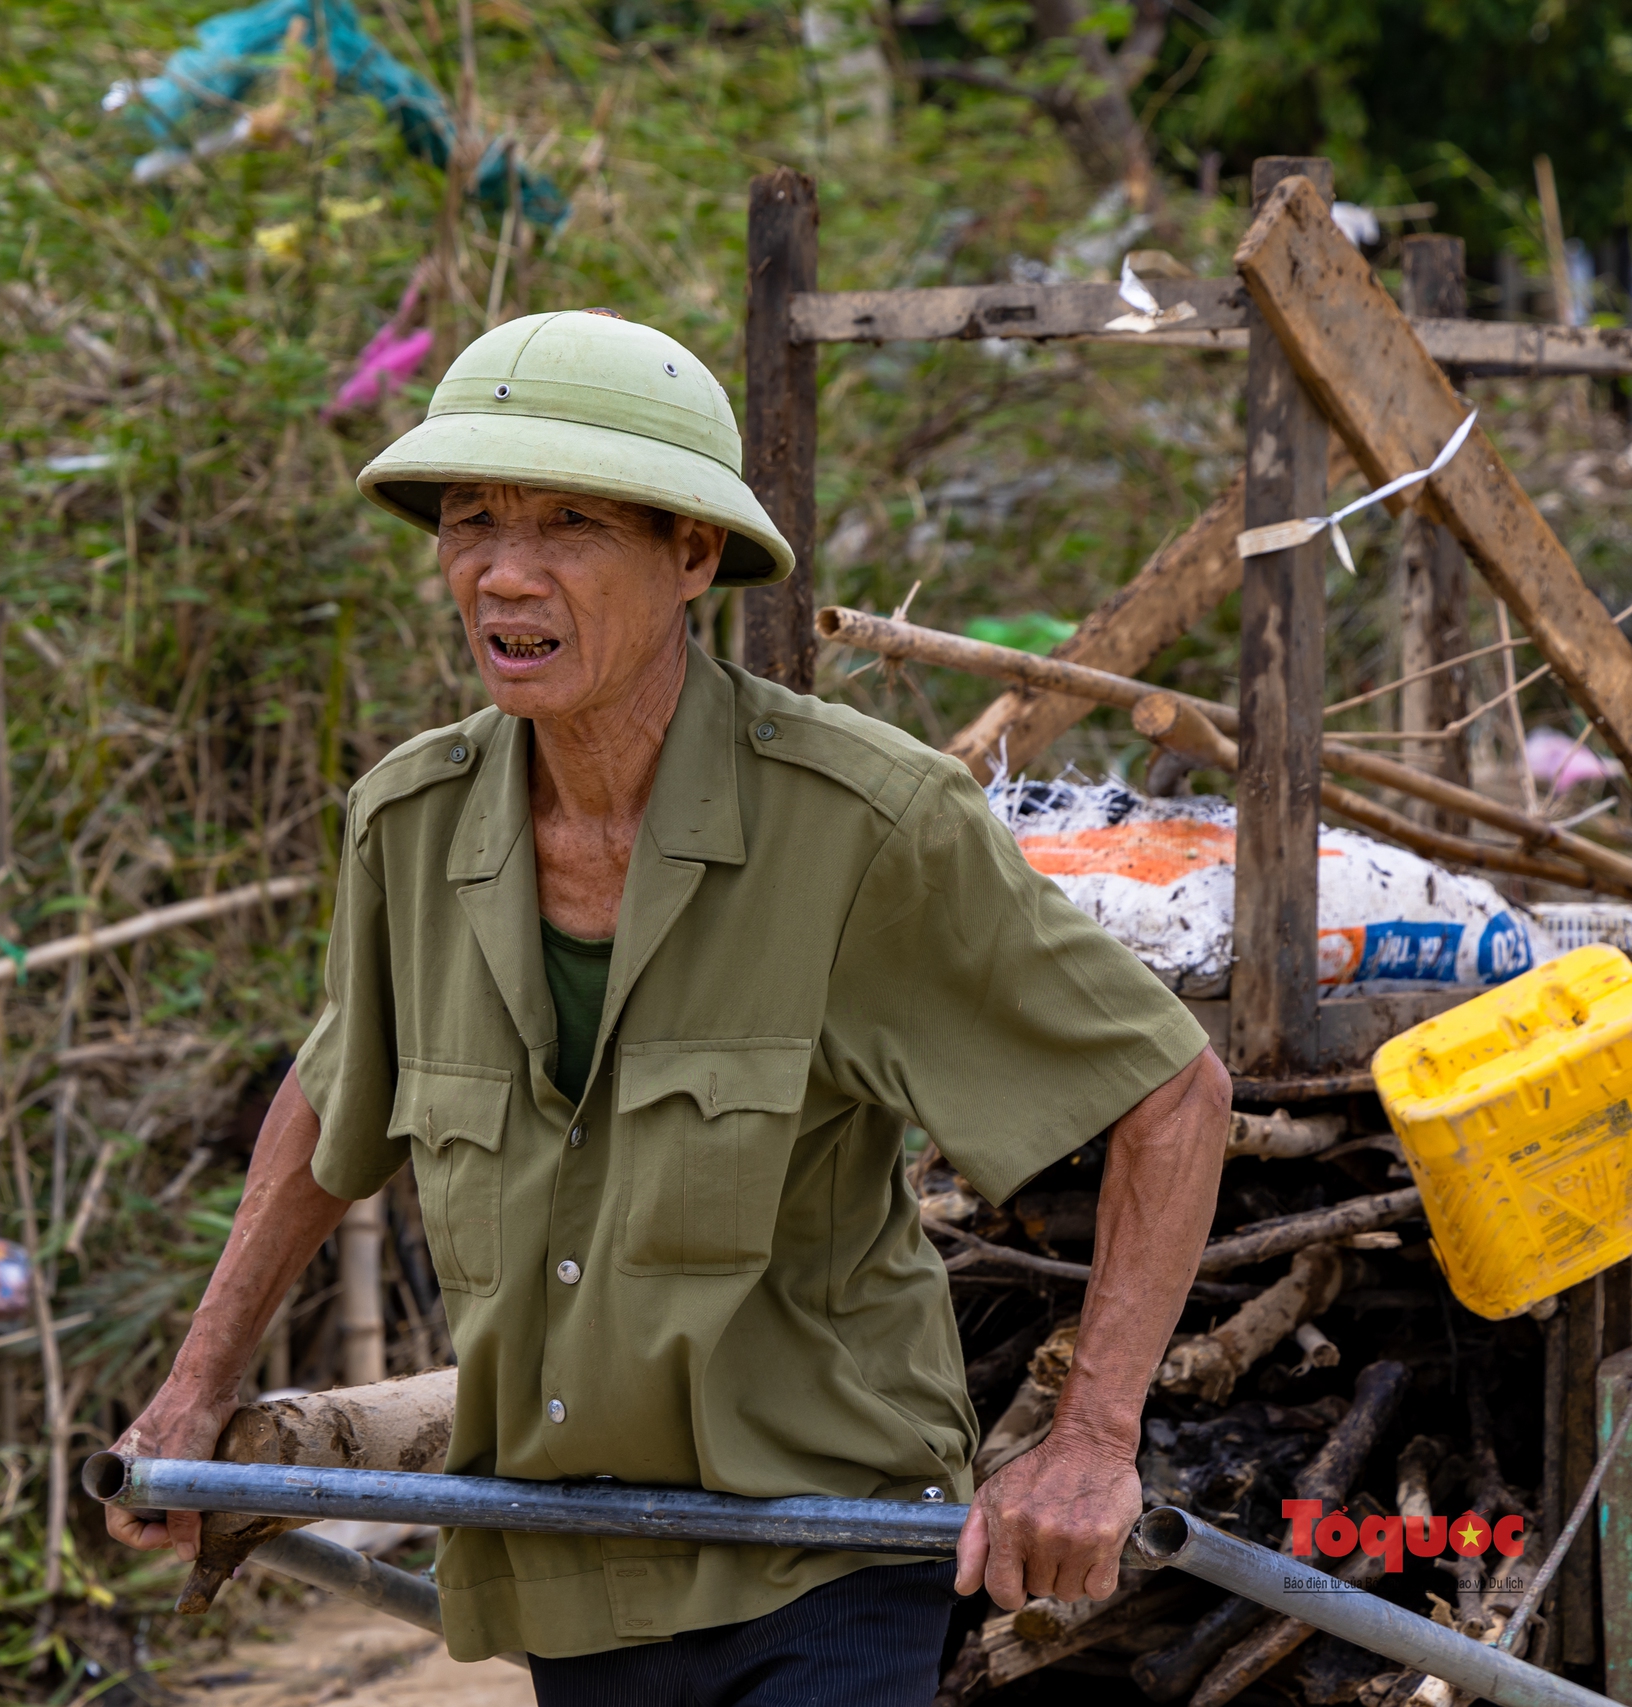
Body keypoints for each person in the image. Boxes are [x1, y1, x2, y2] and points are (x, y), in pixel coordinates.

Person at [105, 308, 1230, 1706]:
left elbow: (1169, 1093)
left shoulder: (864, 827)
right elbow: (337, 1097)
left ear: (692, 556)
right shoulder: (407, 825)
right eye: (469, 524)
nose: (503, 576)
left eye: (570, 524)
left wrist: (1091, 1440)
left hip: (829, 1551)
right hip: (573, 1559)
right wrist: (197, 1387)